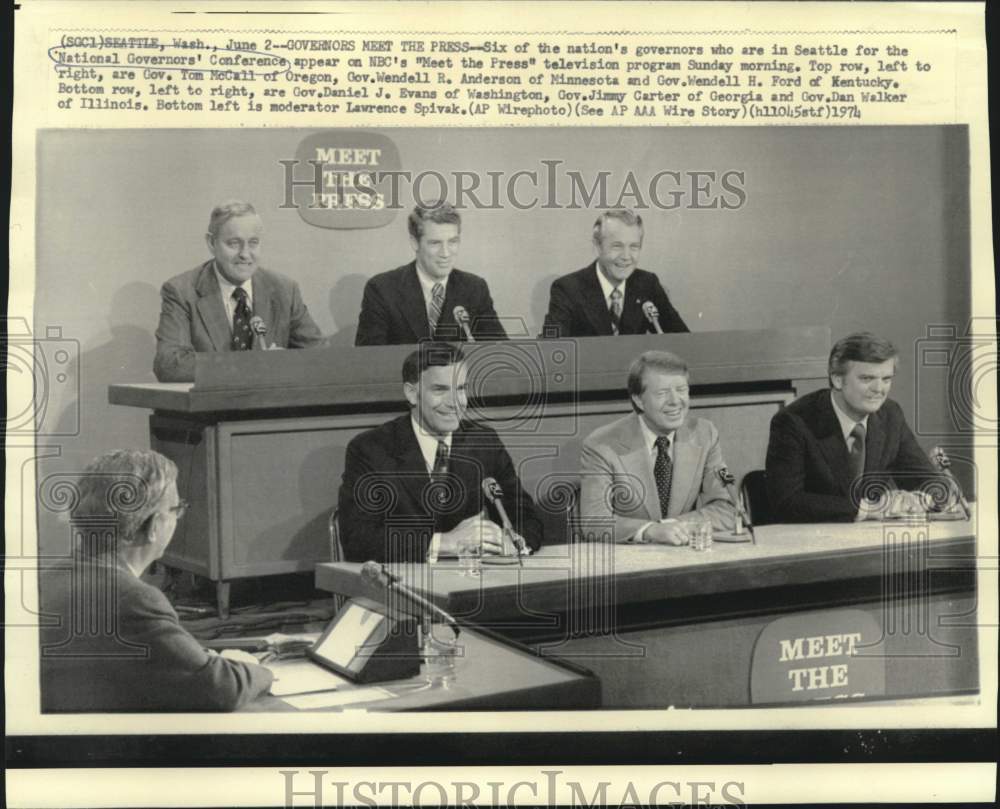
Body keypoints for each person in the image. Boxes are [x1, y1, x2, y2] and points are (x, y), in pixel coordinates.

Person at [39, 449, 273, 712]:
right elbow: (222, 688)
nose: (178, 517)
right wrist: (261, 671)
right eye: (177, 509)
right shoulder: (133, 599)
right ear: (154, 526)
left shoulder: (46, 579)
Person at [338, 342, 542, 562]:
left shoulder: (483, 442)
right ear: (412, 393)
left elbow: (527, 518)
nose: (455, 402)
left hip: (472, 582)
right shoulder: (371, 449)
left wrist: (510, 540)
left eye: (461, 389)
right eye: (440, 389)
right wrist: (444, 542)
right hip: (399, 586)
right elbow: (358, 540)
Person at [765, 332, 944, 522]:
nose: (879, 389)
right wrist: (869, 508)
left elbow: (928, 481)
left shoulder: (890, 415)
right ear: (837, 380)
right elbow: (786, 501)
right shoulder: (793, 421)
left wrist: (921, 499)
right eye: (867, 379)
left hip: (867, 539)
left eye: (886, 379)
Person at [154, 200, 325, 382]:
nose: (245, 254)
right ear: (212, 243)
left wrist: (284, 362)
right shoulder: (182, 291)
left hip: (269, 407)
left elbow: (321, 357)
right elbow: (170, 365)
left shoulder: (284, 289)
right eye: (234, 243)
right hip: (210, 408)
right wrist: (253, 365)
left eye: (253, 243)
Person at [580, 350, 735, 544]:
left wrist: (674, 526)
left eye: (681, 390)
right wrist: (650, 531)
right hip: (629, 563)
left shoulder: (704, 434)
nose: (675, 401)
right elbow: (593, 521)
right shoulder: (601, 445)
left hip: (686, 555)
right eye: (662, 393)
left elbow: (727, 507)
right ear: (638, 400)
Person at [354, 204, 507, 345]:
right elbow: (371, 362)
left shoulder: (475, 289)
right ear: (415, 243)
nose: (446, 253)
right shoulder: (382, 289)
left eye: (453, 242)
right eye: (435, 243)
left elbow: (500, 354)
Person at [542, 209, 688, 338]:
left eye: (634, 247)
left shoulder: (647, 284)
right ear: (597, 247)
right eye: (617, 246)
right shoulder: (567, 289)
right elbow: (553, 349)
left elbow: (683, 342)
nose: (626, 256)